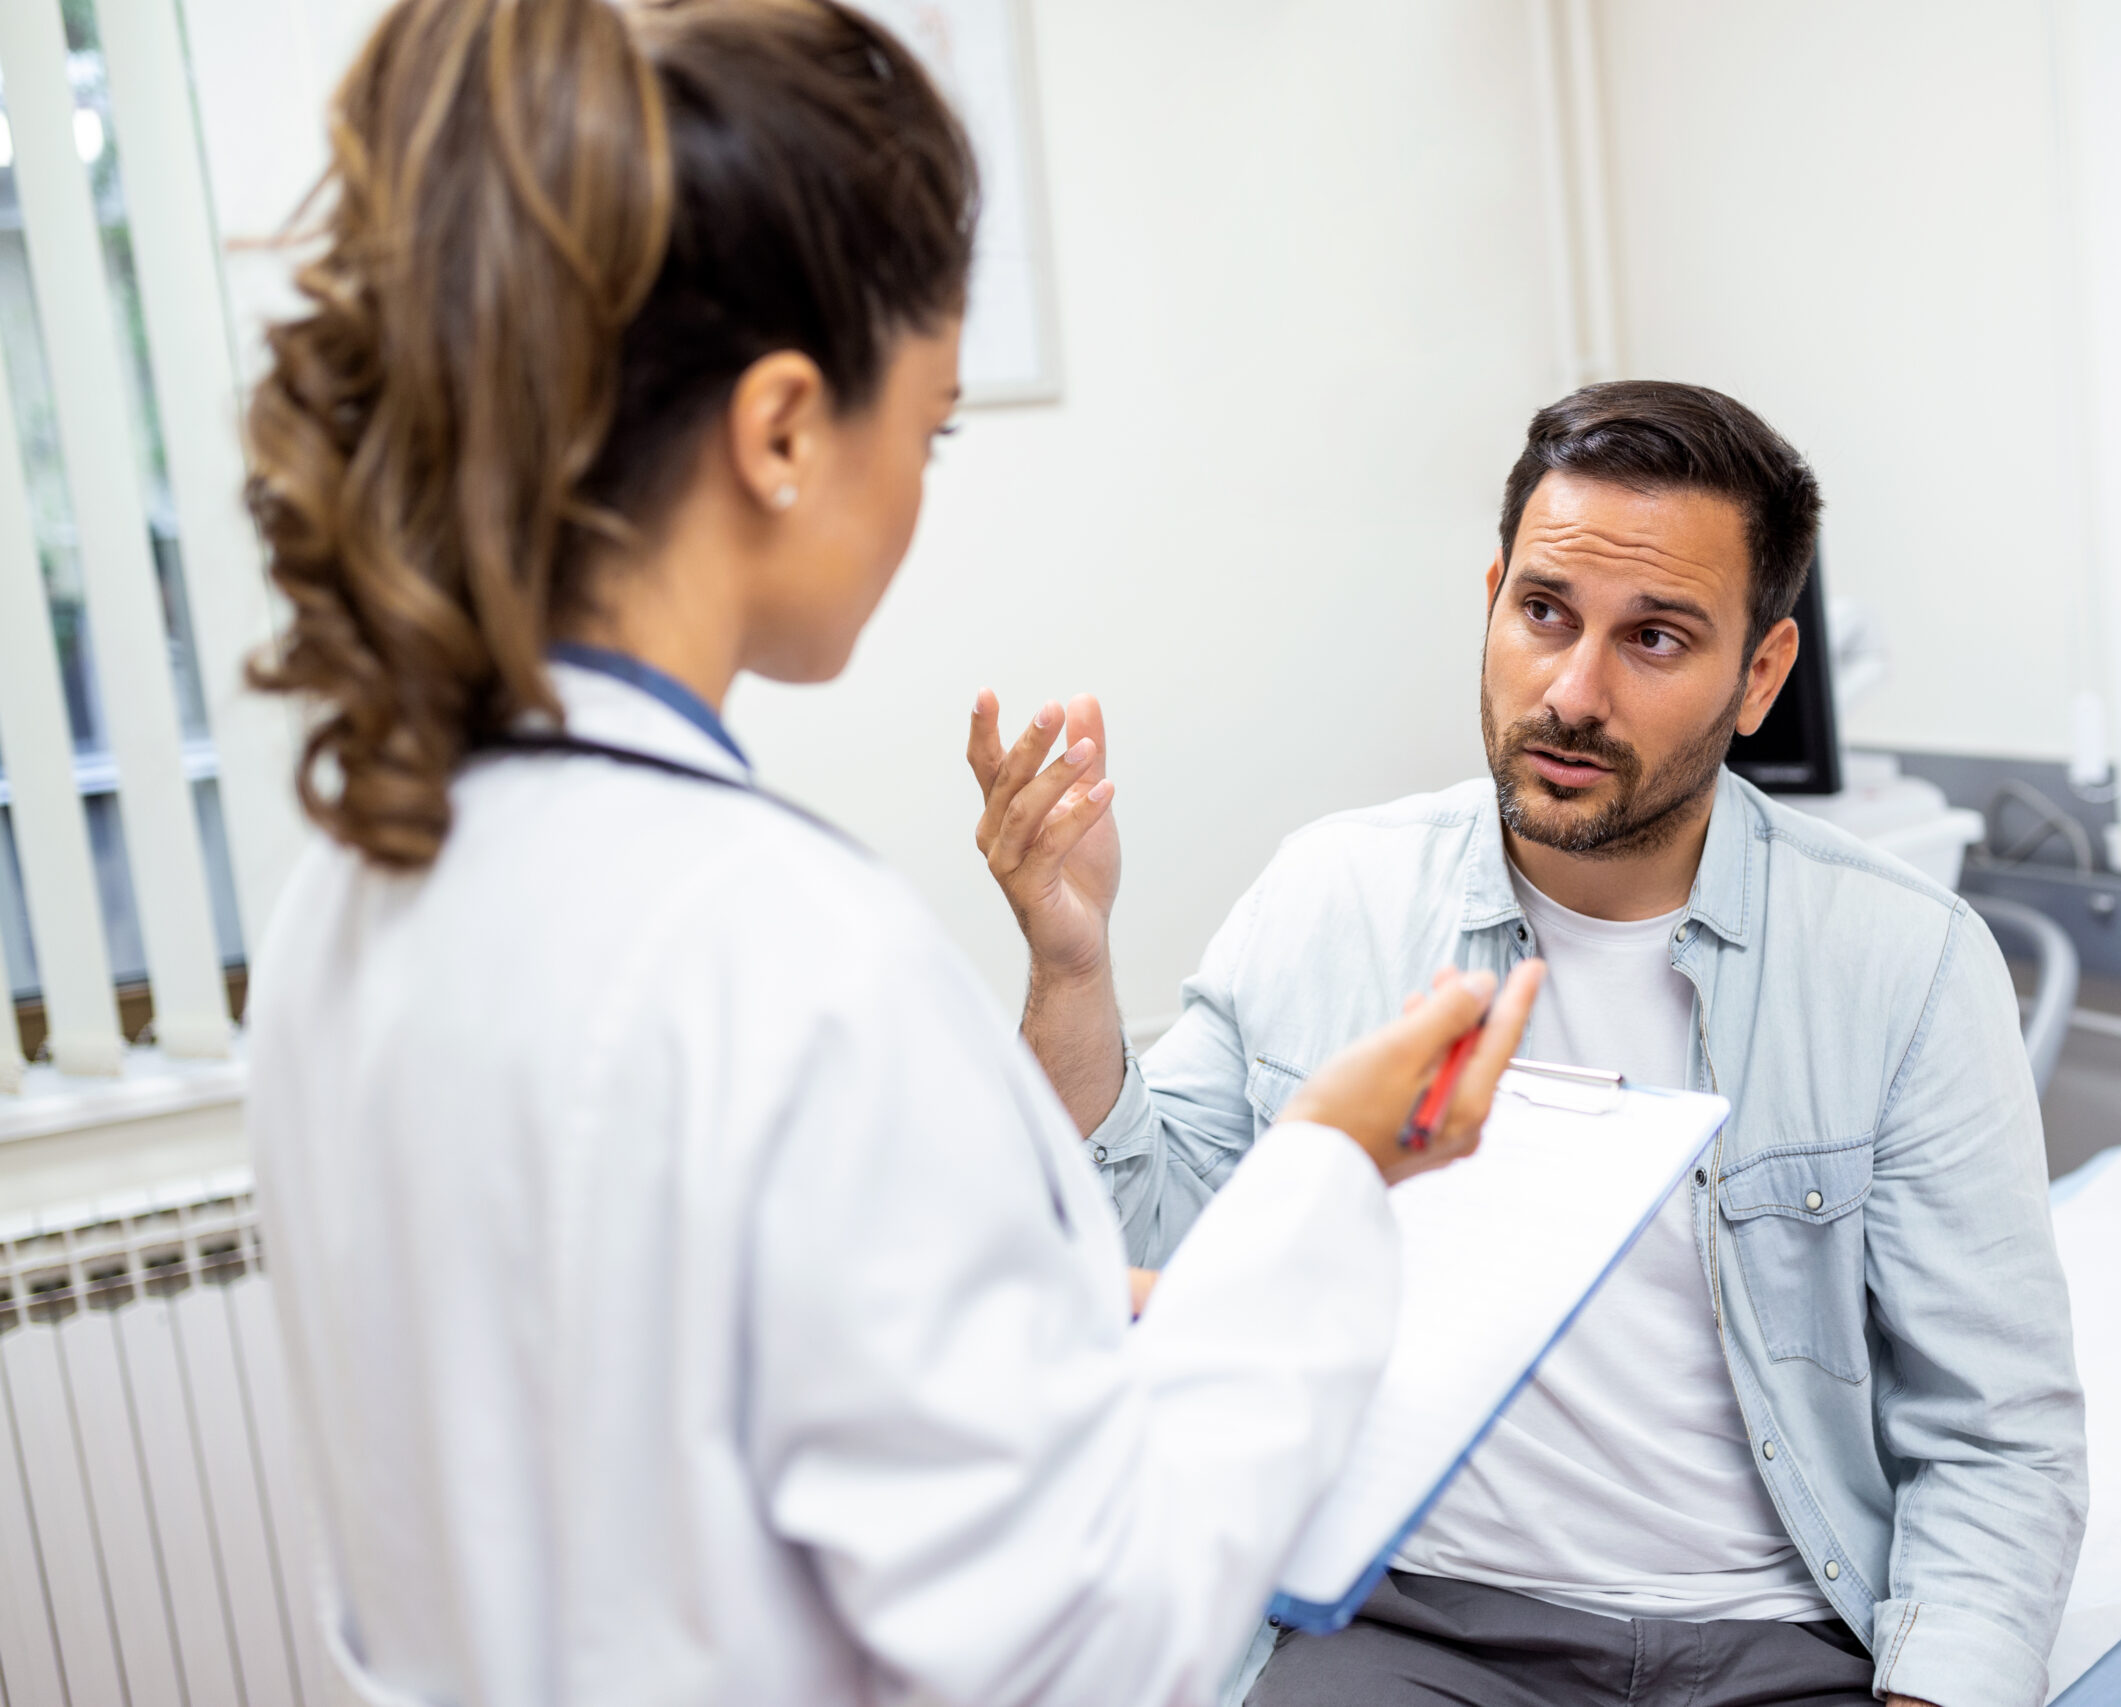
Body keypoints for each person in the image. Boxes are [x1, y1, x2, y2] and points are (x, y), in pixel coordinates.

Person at [240, 3, 1543, 1704]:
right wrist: (1330, 1175)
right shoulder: (784, 954)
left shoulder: (349, 892)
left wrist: (1051, 1347)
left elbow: (648, 1450)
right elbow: (1091, 1642)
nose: (920, 491)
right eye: (926, 428)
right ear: (783, 429)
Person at [970, 381, 2089, 1707]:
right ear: (1494, 595)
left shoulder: (1904, 963)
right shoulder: (1336, 899)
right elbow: (1142, 1263)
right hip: (1413, 1626)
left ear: (1762, 676)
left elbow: (1996, 1439)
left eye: (1657, 639)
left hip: (1777, 1643)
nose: (1572, 691)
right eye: (1544, 613)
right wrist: (1073, 965)